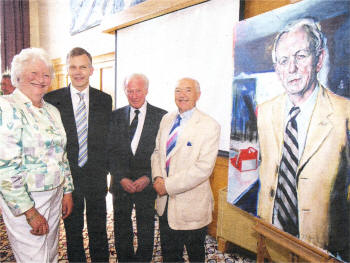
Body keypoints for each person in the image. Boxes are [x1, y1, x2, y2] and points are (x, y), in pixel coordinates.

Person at [257, 18, 350, 260]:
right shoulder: (265, 111)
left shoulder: (344, 114)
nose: (292, 69)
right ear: (277, 68)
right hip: (272, 237)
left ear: (319, 59)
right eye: (284, 61)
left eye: (301, 56)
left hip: (321, 250)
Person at [0, 47, 74, 262]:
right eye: (34, 73)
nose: (41, 79)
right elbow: (4, 167)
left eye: (45, 75)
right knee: (34, 258)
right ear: (18, 75)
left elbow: (62, 154)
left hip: (54, 194)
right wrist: (29, 212)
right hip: (27, 198)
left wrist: (67, 190)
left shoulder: (51, 110)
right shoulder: (6, 107)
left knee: (50, 254)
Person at [44, 47, 111, 262]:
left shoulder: (104, 100)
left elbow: (105, 141)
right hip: (67, 183)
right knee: (72, 234)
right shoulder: (52, 99)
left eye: (83, 67)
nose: (78, 72)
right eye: (73, 67)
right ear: (67, 70)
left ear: (92, 70)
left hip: (96, 180)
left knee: (99, 232)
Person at [152, 77, 220, 262]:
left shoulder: (209, 125)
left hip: (192, 207)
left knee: (195, 256)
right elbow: (157, 152)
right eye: (178, 90)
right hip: (165, 204)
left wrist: (168, 185)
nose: (182, 95)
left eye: (188, 90)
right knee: (170, 256)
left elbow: (203, 168)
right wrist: (158, 177)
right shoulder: (167, 119)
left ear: (198, 95)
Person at [108, 73, 166, 262]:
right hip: (120, 184)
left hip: (146, 184)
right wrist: (120, 177)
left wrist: (148, 177)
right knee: (121, 227)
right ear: (125, 91)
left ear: (146, 90)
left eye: (138, 90)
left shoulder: (161, 117)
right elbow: (109, 151)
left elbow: (163, 154)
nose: (134, 95)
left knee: (146, 227)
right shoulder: (114, 116)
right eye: (130, 91)